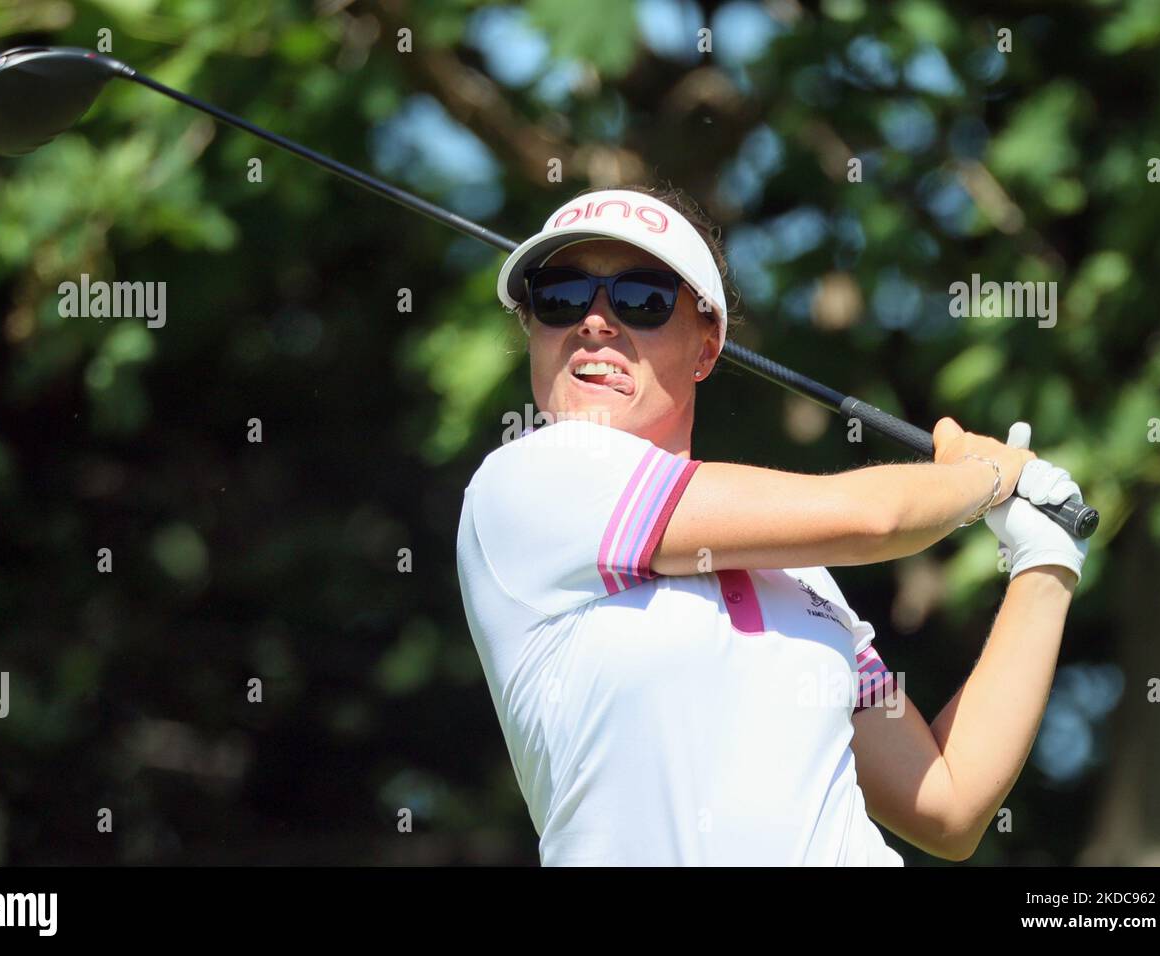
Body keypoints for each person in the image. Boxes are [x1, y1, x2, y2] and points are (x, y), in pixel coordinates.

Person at [455, 185, 1089, 865]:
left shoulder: (800, 576)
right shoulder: (528, 482)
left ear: (705, 349)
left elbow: (949, 804)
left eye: (642, 299)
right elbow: (872, 518)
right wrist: (986, 475)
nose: (595, 322)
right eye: (561, 296)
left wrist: (1045, 563)